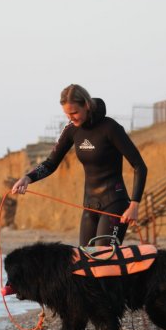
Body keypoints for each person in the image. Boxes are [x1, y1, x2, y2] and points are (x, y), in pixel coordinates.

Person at [11, 84, 147, 248]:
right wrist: (28, 177)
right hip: (89, 204)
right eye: (67, 114)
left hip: (115, 204)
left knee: (102, 260)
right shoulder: (71, 130)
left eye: (74, 112)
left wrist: (134, 205)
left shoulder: (110, 128)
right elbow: (51, 163)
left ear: (87, 105)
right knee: (85, 262)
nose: (71, 118)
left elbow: (140, 166)